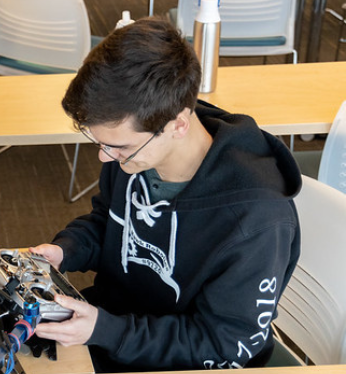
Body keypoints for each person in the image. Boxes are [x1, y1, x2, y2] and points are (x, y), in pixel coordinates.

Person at [30, 18, 301, 372]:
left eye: (116, 146)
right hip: (113, 331)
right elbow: (109, 223)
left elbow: (223, 344)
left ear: (178, 125)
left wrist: (105, 330)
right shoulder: (135, 153)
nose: (104, 157)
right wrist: (66, 250)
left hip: (180, 360)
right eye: (98, 142)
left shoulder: (257, 220)